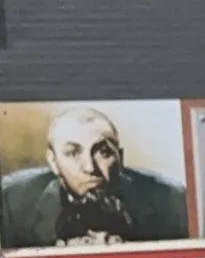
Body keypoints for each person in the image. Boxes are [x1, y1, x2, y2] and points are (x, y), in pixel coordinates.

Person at [1, 106, 188, 248]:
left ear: (120, 157)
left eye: (103, 152)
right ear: (53, 161)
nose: (90, 168)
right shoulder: (10, 202)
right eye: (73, 153)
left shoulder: (172, 202)